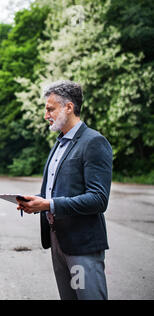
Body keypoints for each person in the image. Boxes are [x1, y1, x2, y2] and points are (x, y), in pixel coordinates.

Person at [17, 80, 112, 300]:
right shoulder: (60, 143)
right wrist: (36, 200)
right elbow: (59, 192)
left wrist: (48, 204)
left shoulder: (94, 142)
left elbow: (98, 199)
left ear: (68, 107)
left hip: (81, 245)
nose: (45, 115)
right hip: (57, 240)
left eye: (50, 109)